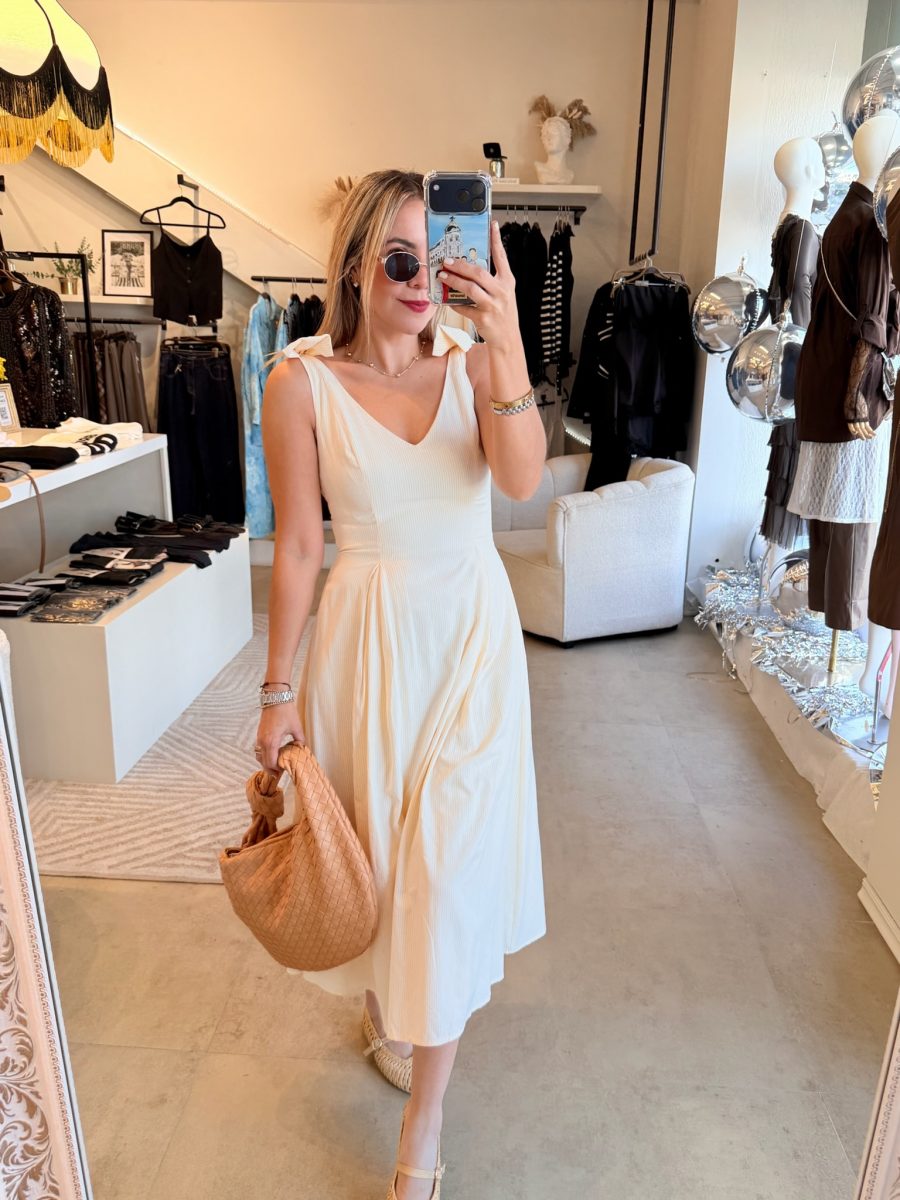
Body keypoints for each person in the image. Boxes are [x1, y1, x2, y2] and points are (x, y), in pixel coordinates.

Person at [256, 168, 547, 1200]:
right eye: (398, 260)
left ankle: (424, 1126)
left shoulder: (472, 363)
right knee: (382, 866)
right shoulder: (299, 385)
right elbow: (300, 548)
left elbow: (522, 480)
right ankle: (387, 1011)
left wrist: (507, 337)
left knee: (444, 878)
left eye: (437, 257)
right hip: (368, 653)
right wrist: (277, 694)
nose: (423, 280)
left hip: (472, 644)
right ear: (353, 268)